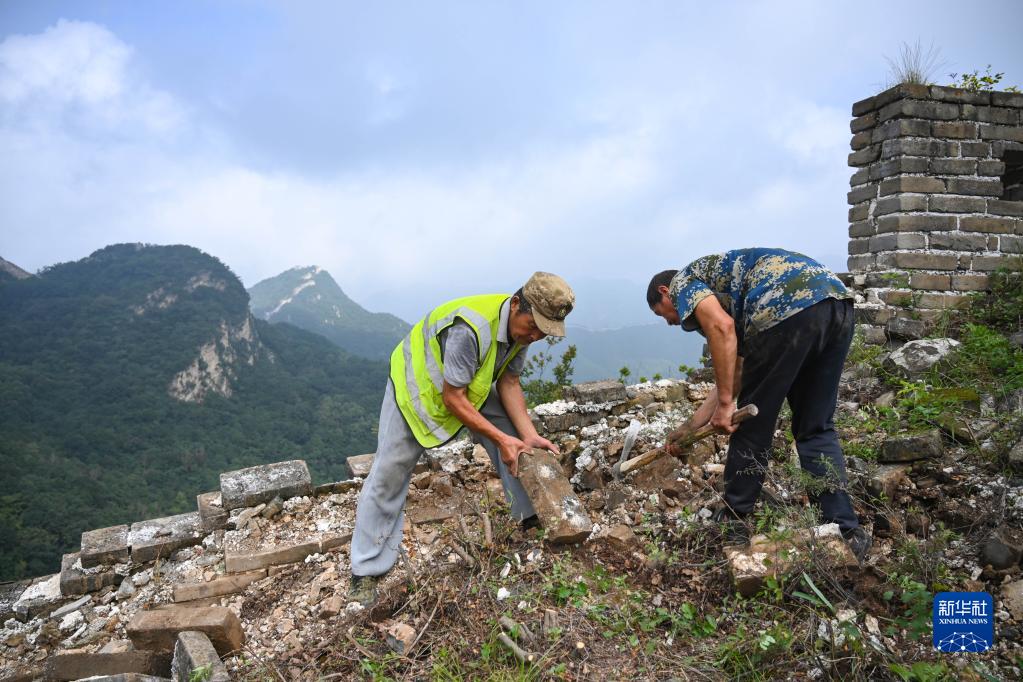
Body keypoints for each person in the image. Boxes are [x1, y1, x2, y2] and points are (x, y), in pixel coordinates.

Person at [348, 272, 575, 606]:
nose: (535, 336)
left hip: (468, 386)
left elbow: (509, 383)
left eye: (543, 331)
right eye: (533, 326)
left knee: (517, 440)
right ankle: (365, 570)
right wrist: (501, 439)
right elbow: (453, 398)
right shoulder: (470, 329)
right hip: (417, 391)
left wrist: (529, 436)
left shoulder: (520, 332)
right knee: (389, 474)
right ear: (516, 305)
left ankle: (530, 518)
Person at [646, 248, 870, 561]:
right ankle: (845, 531)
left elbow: (721, 328)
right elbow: (736, 371)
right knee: (815, 428)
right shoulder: (731, 290)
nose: (670, 322)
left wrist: (727, 406)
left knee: (753, 427)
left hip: (784, 310)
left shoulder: (683, 281)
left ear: (665, 292)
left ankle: (734, 521)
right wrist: (690, 427)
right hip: (836, 305)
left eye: (663, 314)